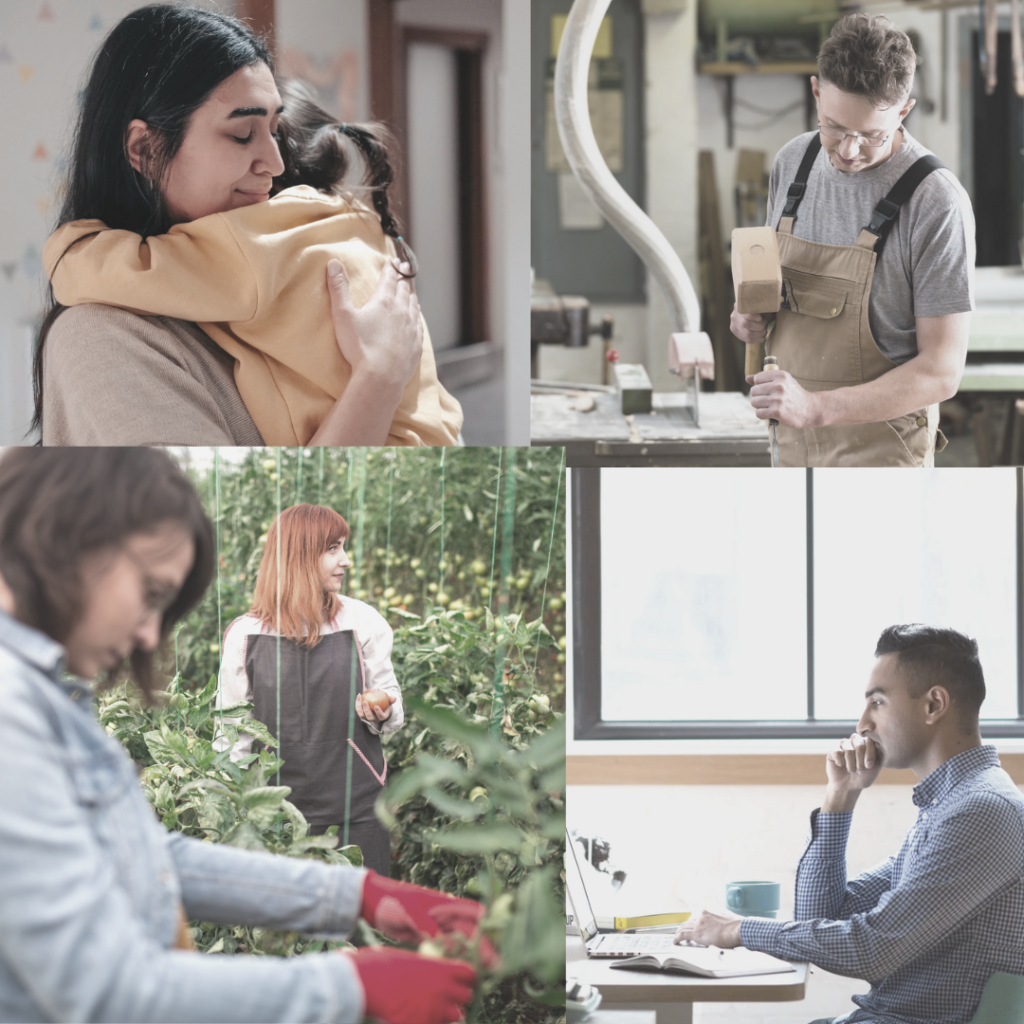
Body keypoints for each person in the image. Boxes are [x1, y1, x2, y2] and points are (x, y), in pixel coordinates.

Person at [0, 447, 488, 1024]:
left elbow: (147, 859)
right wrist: (347, 986)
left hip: (355, 796)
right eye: (153, 594)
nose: (151, 632)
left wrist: (358, 896)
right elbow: (103, 989)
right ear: (71, 544)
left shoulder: (47, 697)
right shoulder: (12, 709)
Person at [33, 4, 443, 447]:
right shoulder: (102, 337)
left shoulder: (251, 246)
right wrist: (379, 373)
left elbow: (103, 268)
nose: (275, 162)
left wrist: (73, 249)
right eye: (242, 135)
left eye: (274, 129)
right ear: (145, 149)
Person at [673, 624, 1024, 1024]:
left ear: (933, 705)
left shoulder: (979, 812)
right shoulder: (948, 805)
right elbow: (820, 916)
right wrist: (840, 797)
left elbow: (871, 950)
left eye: (877, 702)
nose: (862, 725)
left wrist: (738, 930)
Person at [732, 15, 974, 467]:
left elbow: (941, 372)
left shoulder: (936, 201)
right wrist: (749, 317)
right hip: (792, 450)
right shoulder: (793, 163)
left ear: (903, 111)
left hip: (881, 459)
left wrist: (817, 408)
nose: (847, 150)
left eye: (870, 135)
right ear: (816, 92)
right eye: (834, 127)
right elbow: (772, 291)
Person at [217, 504, 401, 876]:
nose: (346, 560)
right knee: (288, 928)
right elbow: (232, 735)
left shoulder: (362, 621)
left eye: (343, 547)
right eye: (333, 549)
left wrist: (381, 711)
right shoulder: (246, 634)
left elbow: (392, 705)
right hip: (276, 810)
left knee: (362, 920)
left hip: (358, 806)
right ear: (299, 556)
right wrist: (227, 814)